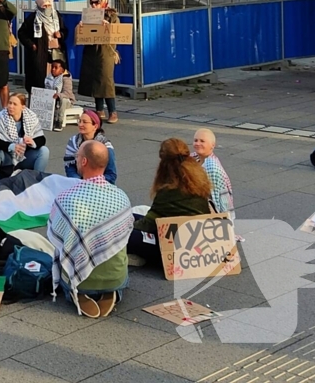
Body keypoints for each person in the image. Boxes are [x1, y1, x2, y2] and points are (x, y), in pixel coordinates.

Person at [48, 140, 133, 319]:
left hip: (83, 280)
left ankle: (76, 290)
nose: (76, 159)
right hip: (115, 276)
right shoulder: (122, 197)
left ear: (84, 161)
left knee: (62, 255)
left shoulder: (66, 199)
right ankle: (112, 290)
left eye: (78, 156)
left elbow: (56, 237)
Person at [126, 138, 212, 267]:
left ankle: (140, 256)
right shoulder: (198, 179)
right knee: (131, 217)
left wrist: (125, 227)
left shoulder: (169, 190)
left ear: (164, 162)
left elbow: (148, 224)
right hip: (198, 241)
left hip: (177, 249)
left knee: (125, 233)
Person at [77, 0, 120, 123]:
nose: (94, 5)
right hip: (91, 52)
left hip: (105, 52)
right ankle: (99, 109)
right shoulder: (89, 16)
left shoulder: (112, 17)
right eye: (92, 3)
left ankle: (112, 111)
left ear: (104, 3)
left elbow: (117, 33)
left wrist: (107, 26)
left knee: (106, 80)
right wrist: (81, 27)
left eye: (97, 2)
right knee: (94, 80)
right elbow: (82, 35)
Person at [0, 94, 49, 181]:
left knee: (44, 151)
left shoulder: (31, 117)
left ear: (23, 107)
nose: (11, 106)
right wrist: (10, 146)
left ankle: (36, 180)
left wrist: (32, 142)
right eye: (10, 103)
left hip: (25, 156)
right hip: (7, 156)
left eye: (15, 104)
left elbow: (41, 139)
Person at [18, 0, 68, 95]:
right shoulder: (33, 18)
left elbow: (65, 30)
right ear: (39, 6)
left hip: (56, 53)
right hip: (39, 54)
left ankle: (55, 100)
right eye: (44, 6)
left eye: (49, 5)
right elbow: (22, 33)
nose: (47, 8)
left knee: (57, 79)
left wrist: (61, 35)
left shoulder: (56, 16)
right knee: (39, 80)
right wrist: (32, 45)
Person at [64, 109, 117, 183]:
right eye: (79, 121)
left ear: (95, 126)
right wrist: (79, 181)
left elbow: (111, 174)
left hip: (101, 184)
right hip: (78, 182)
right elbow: (69, 166)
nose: (80, 124)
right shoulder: (73, 141)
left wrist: (92, 183)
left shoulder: (105, 147)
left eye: (85, 122)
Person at [192, 128, 234, 217]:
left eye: (202, 141)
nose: (197, 143)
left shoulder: (211, 166)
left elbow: (217, 199)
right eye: (195, 140)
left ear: (212, 145)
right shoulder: (194, 158)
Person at [46, 58, 75, 132]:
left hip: (66, 102)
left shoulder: (66, 78)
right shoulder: (49, 78)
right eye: (52, 67)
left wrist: (58, 95)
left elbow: (67, 94)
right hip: (54, 101)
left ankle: (59, 121)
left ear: (62, 70)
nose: (53, 69)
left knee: (64, 99)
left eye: (56, 68)